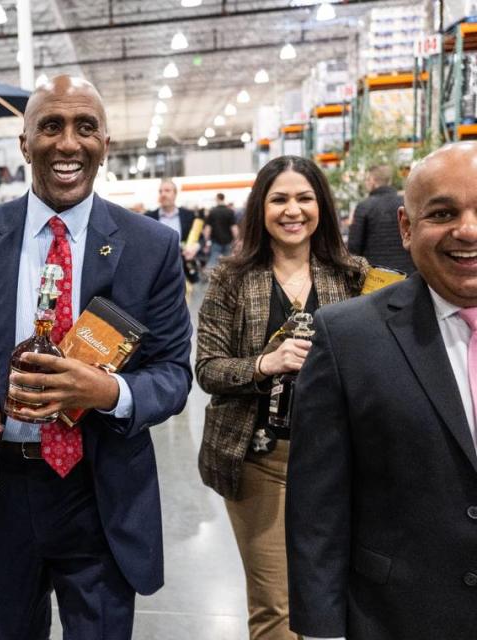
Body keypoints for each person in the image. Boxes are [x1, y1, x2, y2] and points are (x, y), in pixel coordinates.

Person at [0, 75, 192, 639]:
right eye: (51, 126)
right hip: (1, 489)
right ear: (25, 144)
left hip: (101, 490)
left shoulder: (150, 247)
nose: (68, 143)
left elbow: (171, 374)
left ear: (105, 145)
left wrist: (107, 392)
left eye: (85, 127)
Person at [287, 143, 477, 639]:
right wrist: (322, 631)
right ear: (406, 227)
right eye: (443, 212)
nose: (468, 230)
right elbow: (316, 509)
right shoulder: (348, 337)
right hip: (397, 618)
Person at [195, 155, 367, 640]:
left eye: (304, 198)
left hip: (341, 462)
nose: (293, 210)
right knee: (275, 607)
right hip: (261, 461)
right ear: (260, 209)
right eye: (279, 199)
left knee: (344, 593)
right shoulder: (231, 278)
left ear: (322, 206)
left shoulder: (355, 277)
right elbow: (206, 368)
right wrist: (262, 365)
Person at [347, 163, 415, 274]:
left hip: (375, 277)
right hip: (406, 274)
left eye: (367, 180)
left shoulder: (364, 206)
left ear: (373, 181)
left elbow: (354, 247)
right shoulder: (406, 203)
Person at [204, 192, 239, 268]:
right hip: (228, 242)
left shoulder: (212, 212)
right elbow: (234, 228)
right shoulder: (230, 212)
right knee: (229, 263)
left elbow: (207, 229)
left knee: (213, 263)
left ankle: (210, 278)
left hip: (216, 241)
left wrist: (206, 241)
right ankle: (229, 278)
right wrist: (236, 240)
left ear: (217, 199)